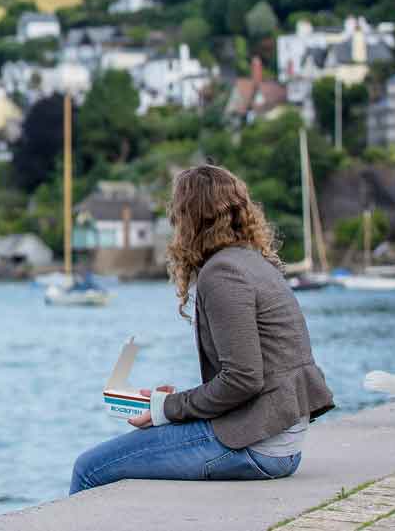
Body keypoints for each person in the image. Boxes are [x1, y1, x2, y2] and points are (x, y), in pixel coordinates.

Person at [70, 164, 334, 494]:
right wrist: (171, 407)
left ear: (190, 218)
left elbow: (243, 379)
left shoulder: (222, 274)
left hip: (258, 446)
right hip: (278, 438)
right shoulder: (253, 262)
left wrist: (167, 409)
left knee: (89, 469)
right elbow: (249, 375)